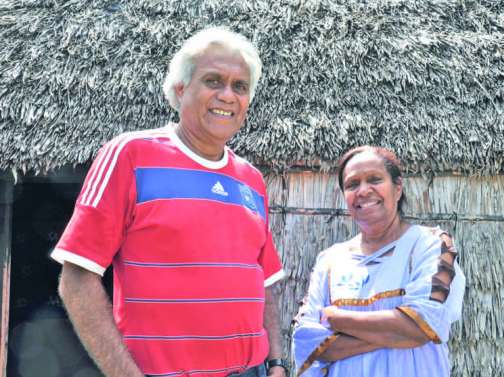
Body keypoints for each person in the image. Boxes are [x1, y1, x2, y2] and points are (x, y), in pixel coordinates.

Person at [52, 27, 288, 377]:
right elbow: (76, 278)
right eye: (213, 81)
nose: (228, 95)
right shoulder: (130, 155)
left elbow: (262, 278)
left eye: (240, 87)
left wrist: (277, 363)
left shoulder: (251, 179)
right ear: (181, 89)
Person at [292, 146, 465, 376]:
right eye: (352, 184)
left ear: (398, 188)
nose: (363, 190)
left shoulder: (430, 245)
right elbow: (306, 342)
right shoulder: (330, 260)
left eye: (375, 179)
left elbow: (425, 322)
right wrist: (400, 333)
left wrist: (336, 318)